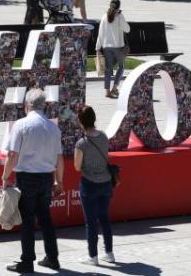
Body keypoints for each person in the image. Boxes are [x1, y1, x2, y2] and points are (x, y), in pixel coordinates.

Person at [1, 89, 63, 273]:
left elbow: (12, 154)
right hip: (46, 177)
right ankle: (52, 258)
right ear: (44, 105)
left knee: (27, 220)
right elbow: (59, 157)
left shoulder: (21, 125)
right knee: (45, 218)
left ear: (27, 105)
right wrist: (59, 180)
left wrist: (5, 176)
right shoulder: (53, 128)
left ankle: (27, 261)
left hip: (26, 177)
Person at [74, 106, 115, 266]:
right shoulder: (104, 136)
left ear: (81, 122)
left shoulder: (81, 143)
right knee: (105, 218)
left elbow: (77, 167)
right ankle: (109, 253)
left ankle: (93, 256)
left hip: (89, 184)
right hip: (105, 183)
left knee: (90, 222)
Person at [95, 0, 130, 99]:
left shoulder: (104, 16)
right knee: (121, 67)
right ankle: (114, 87)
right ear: (118, 7)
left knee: (108, 69)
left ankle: (107, 91)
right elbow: (127, 29)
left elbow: (100, 33)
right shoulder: (119, 16)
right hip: (118, 47)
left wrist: (97, 47)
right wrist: (121, 15)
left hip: (106, 46)